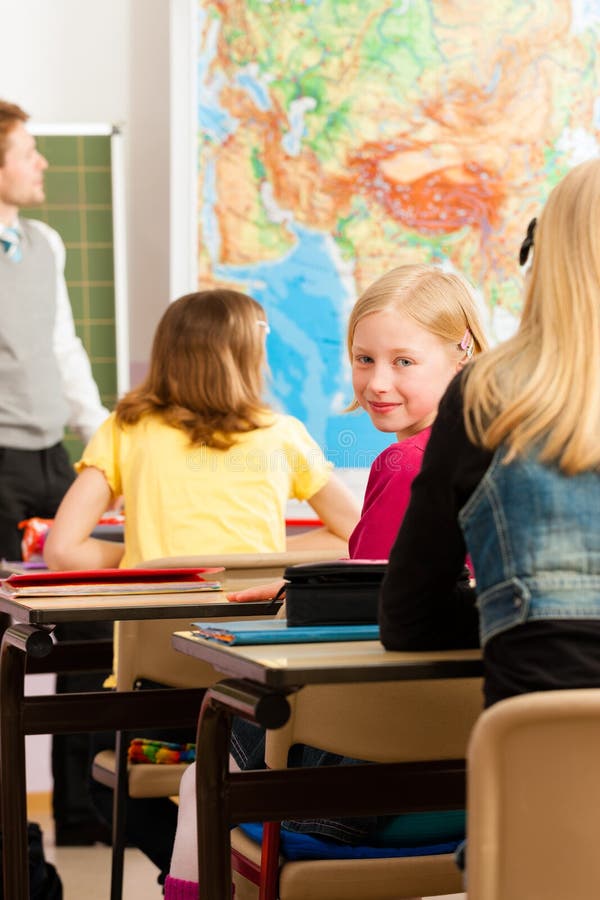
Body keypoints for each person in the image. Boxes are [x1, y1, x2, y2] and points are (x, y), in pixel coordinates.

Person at [166, 264, 488, 898]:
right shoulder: (503, 444)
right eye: (364, 359)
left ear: (463, 353)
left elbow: (364, 623)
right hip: (475, 745)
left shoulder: (406, 462)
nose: (376, 382)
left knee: (202, 763)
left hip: (379, 760)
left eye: (403, 362)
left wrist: (299, 609)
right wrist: (302, 587)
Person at [44, 287, 360, 880]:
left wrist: (147, 560)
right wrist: (258, 556)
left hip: (156, 680)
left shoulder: (127, 428)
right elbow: (355, 536)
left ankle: (196, 876)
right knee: (246, 785)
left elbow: (62, 549)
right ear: (245, 355)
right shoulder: (281, 434)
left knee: (104, 788)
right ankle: (227, 872)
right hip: (255, 679)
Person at [380, 157, 600, 710]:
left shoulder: (487, 394)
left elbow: (409, 619)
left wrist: (507, 606)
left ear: (542, 260)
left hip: (544, 766)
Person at [0, 99, 112, 848]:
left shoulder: (44, 243)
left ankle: (82, 814)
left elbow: (67, 349)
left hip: (53, 459)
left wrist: (108, 443)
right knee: (11, 638)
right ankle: (18, 830)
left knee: (90, 624)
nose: (41, 164)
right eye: (29, 151)